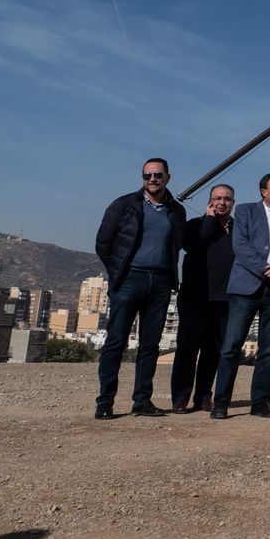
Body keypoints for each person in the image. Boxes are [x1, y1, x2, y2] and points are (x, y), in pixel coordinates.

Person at [93, 158, 187, 419]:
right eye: (147, 175)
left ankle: (142, 401)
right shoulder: (124, 205)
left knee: (150, 345)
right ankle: (104, 402)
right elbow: (103, 244)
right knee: (115, 342)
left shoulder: (176, 211)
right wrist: (118, 274)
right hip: (129, 280)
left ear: (167, 177)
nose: (152, 179)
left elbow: (179, 244)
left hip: (159, 283)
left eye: (157, 175)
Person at [212, 172, 270, 420]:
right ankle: (221, 401)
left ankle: (260, 402)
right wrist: (266, 270)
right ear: (264, 191)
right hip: (247, 287)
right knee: (231, 345)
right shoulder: (245, 212)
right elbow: (240, 246)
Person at [170, 184, 235, 413]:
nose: (222, 202)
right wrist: (208, 220)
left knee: (213, 351)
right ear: (210, 201)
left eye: (227, 199)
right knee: (187, 349)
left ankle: (204, 397)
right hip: (195, 297)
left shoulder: (237, 229)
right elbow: (193, 246)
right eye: (217, 198)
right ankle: (180, 398)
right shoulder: (195, 226)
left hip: (224, 299)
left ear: (232, 203)